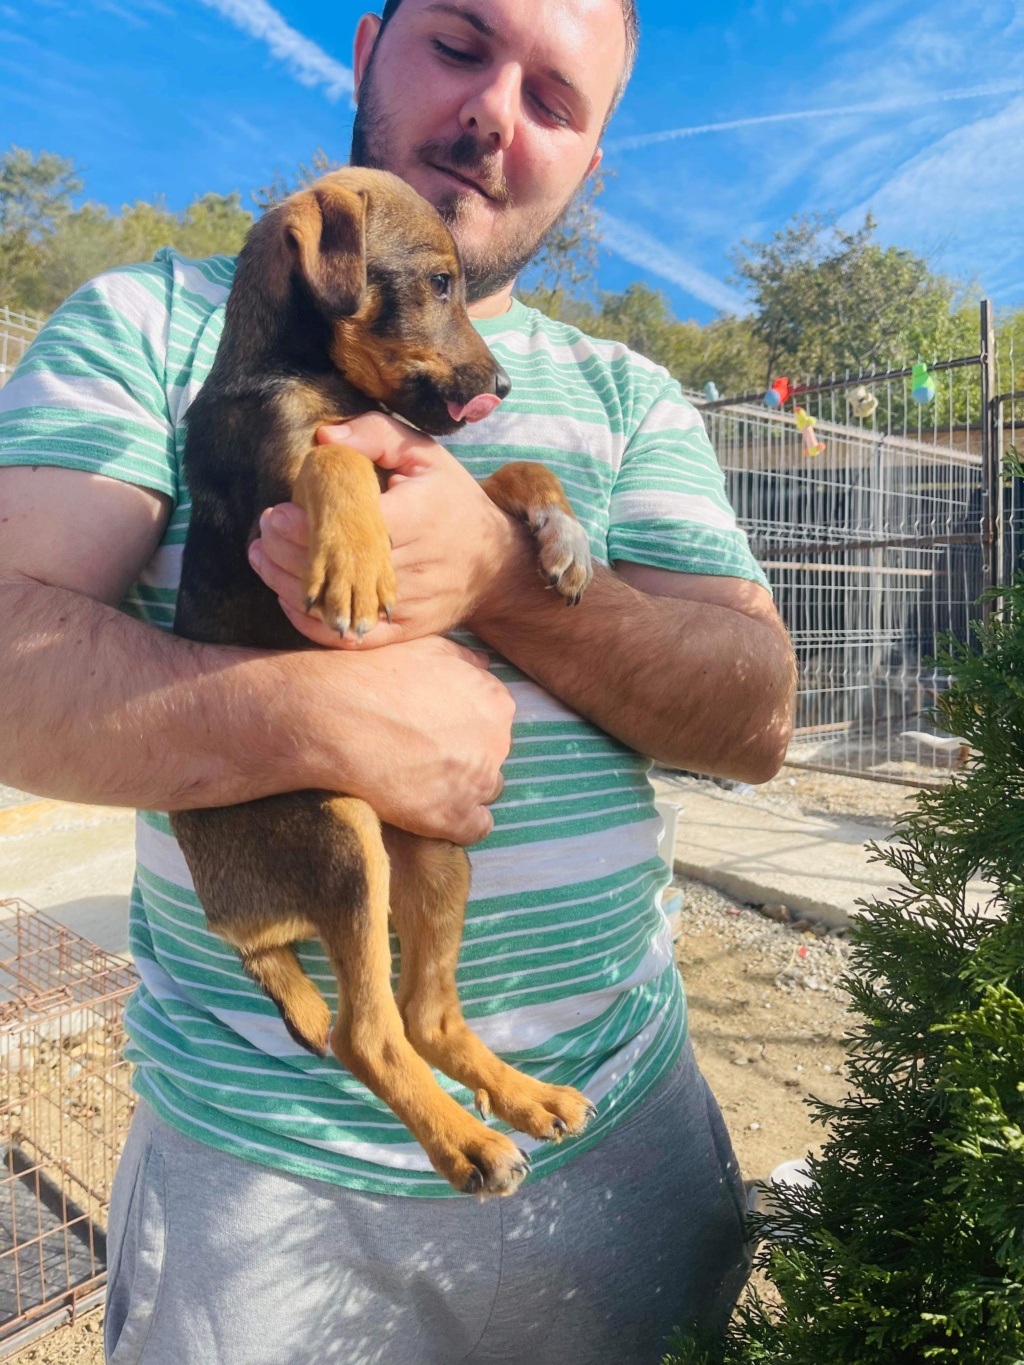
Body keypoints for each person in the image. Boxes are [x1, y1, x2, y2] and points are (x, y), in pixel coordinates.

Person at [0, 0, 796, 1359]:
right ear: (366, 49)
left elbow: (757, 714)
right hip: (260, 1183)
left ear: (590, 164)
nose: (499, 111)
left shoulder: (632, 395)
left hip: (625, 1131)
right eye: (462, 43)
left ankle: (463, 1052)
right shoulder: (150, 327)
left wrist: (498, 568)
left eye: (557, 97)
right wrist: (314, 714)